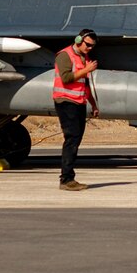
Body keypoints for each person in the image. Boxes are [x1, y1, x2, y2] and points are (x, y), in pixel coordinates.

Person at [53, 28, 99, 189]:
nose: (90, 48)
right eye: (88, 45)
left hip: (79, 102)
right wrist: (86, 70)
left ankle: (68, 177)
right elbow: (65, 78)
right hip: (66, 101)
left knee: (76, 139)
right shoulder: (65, 55)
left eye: (92, 46)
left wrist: (93, 104)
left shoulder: (83, 57)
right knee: (72, 138)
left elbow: (85, 83)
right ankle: (66, 180)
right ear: (79, 40)